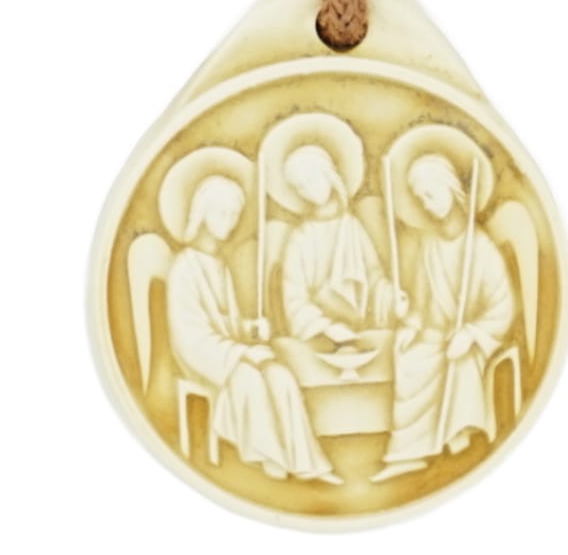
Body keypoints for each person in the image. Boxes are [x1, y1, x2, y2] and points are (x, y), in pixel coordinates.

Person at [166, 173, 340, 484]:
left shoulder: (219, 265)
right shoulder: (184, 268)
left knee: (280, 376)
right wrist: (242, 353)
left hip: (227, 353)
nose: (230, 222)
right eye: (223, 213)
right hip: (204, 360)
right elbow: (191, 338)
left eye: (234, 214)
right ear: (203, 213)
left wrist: (249, 330)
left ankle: (308, 463)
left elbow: (226, 325)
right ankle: (271, 459)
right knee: (248, 378)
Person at [372, 153, 515, 482]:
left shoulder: (480, 247)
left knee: (456, 359)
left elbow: (502, 307)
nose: (426, 204)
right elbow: (423, 302)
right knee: (409, 356)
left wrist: (471, 333)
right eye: (420, 198)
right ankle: (408, 454)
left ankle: (457, 441)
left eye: (430, 194)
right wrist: (412, 325)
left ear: (451, 187)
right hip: (435, 336)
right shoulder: (430, 245)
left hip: (469, 340)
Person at [279, 144, 402, 343]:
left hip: (359, 332)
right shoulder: (301, 238)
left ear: (328, 173)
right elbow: (294, 299)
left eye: (311, 179)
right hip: (319, 337)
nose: (308, 190)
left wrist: (392, 298)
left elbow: (374, 277)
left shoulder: (352, 226)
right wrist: (327, 328)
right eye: (300, 187)